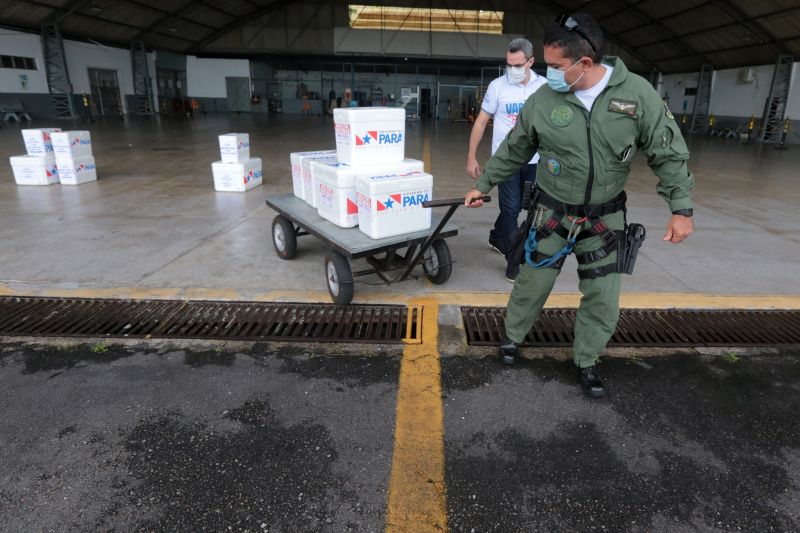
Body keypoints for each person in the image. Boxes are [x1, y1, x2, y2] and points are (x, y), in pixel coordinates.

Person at [464, 13, 694, 398]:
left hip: (605, 218)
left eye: (554, 66)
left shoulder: (638, 96)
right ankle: (512, 337)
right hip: (552, 211)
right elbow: (516, 148)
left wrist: (681, 207)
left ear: (584, 63)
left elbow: (667, 153)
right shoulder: (544, 99)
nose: (547, 73)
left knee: (603, 295)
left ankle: (587, 359)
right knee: (531, 282)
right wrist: (484, 183)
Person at [467, 38, 547, 282]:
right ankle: (514, 263)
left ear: (531, 61)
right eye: (508, 64)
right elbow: (481, 121)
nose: (512, 69)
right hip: (507, 161)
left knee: (531, 210)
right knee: (511, 209)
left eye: (518, 65)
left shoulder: (545, 87)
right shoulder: (497, 86)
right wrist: (471, 156)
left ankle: (497, 236)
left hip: (537, 160)